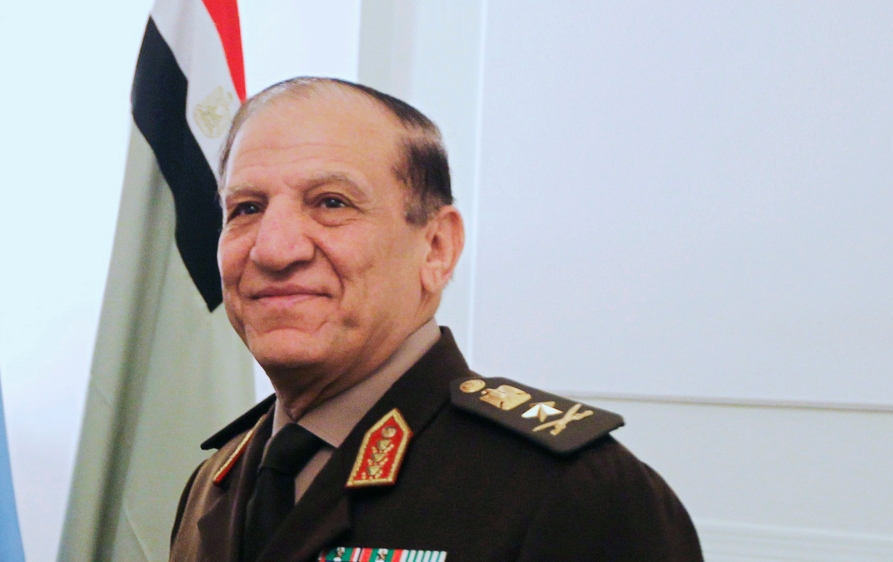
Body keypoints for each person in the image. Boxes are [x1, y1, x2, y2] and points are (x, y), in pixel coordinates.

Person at [169, 77, 704, 562]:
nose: (273, 249)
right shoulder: (215, 481)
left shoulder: (571, 490)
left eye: (331, 203)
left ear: (436, 248)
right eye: (246, 208)